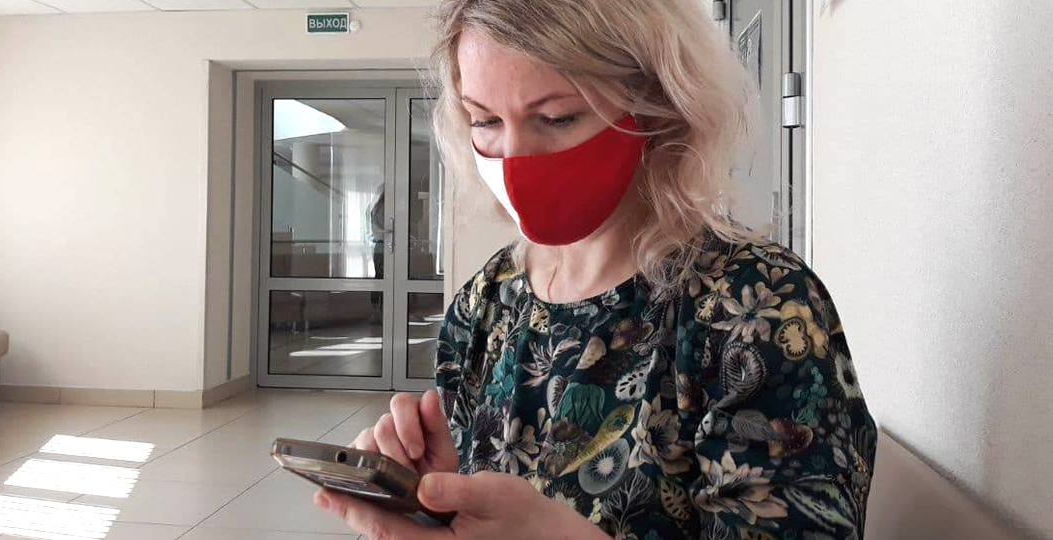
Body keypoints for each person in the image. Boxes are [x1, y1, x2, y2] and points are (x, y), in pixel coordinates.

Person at [313, 1, 877, 539]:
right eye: (484, 120)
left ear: (655, 103)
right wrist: (441, 491)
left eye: (556, 117)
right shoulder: (484, 302)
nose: (514, 158)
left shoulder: (758, 307)